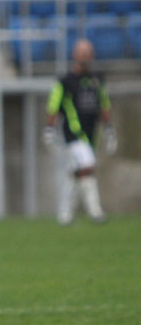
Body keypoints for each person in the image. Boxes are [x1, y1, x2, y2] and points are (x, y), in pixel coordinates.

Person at [43, 38, 116, 225]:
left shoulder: (97, 81)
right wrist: (49, 129)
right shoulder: (65, 81)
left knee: (77, 172)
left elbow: (104, 105)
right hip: (73, 133)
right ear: (75, 55)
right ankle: (95, 211)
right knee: (87, 166)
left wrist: (108, 130)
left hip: (93, 134)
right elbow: (54, 105)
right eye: (81, 52)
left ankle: (64, 213)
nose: (85, 56)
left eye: (88, 52)